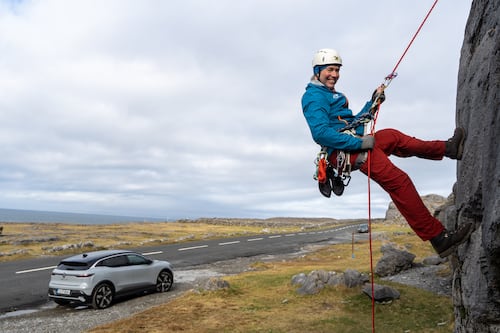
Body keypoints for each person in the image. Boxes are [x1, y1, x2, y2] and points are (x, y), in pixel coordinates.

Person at [301, 48, 473, 258]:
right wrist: (359, 144)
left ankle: (448, 148)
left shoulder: (330, 94)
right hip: (344, 151)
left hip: (351, 143)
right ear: (318, 70)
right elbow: (320, 133)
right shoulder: (313, 97)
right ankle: (439, 238)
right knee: (399, 181)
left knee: (393, 137)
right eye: (330, 69)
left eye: (337, 70)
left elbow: (352, 122)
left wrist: (373, 101)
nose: (335, 74)